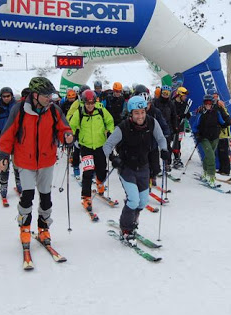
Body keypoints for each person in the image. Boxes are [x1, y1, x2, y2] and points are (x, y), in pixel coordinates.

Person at [0, 77, 73, 264]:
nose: (50, 98)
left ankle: (43, 227)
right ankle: (24, 228)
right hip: (24, 161)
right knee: (27, 196)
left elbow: (63, 128)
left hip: (46, 159)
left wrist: (67, 136)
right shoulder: (19, 110)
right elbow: (8, 134)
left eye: (51, 95)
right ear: (35, 95)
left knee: (46, 196)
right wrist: (3, 156)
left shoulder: (54, 110)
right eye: (47, 95)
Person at [102, 95, 168, 239]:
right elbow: (107, 145)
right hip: (127, 168)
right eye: (137, 113)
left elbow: (161, 138)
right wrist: (113, 158)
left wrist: (164, 150)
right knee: (133, 199)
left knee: (143, 201)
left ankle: (133, 218)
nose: (140, 116)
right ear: (131, 113)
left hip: (144, 167)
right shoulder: (123, 127)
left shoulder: (152, 122)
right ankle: (126, 228)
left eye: (142, 112)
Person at [68, 89, 114, 215]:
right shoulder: (79, 112)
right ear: (83, 102)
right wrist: (70, 136)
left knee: (101, 169)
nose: (90, 106)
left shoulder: (100, 110)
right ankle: (86, 197)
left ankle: (100, 184)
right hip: (86, 146)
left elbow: (110, 121)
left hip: (100, 145)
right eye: (87, 103)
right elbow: (71, 126)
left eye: (92, 103)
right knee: (88, 172)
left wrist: (109, 131)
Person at [191, 93, 231, 187]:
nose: (207, 104)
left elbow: (222, 122)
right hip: (204, 138)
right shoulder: (201, 113)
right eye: (206, 102)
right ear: (203, 103)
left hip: (215, 137)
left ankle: (205, 172)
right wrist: (197, 134)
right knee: (211, 156)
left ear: (212, 103)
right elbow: (195, 126)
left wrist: (230, 122)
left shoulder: (216, 112)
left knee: (208, 156)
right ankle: (211, 177)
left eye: (209, 102)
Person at [153, 85, 178, 172]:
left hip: (167, 127)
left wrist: (175, 127)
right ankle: (155, 166)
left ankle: (167, 163)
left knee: (167, 147)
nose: (165, 95)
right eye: (164, 93)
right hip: (156, 127)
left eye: (167, 94)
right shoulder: (156, 102)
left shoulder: (171, 104)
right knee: (154, 147)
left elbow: (174, 116)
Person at [210, 89, 231, 177]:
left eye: (216, 96)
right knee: (219, 152)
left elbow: (225, 117)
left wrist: (226, 123)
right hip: (216, 133)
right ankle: (221, 169)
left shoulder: (220, 105)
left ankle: (226, 170)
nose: (215, 98)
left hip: (223, 132)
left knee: (223, 151)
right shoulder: (211, 105)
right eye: (213, 96)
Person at [171, 86, 191, 169]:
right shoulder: (172, 103)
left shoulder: (185, 104)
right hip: (173, 125)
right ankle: (171, 157)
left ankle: (177, 157)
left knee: (178, 141)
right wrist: (177, 116)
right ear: (179, 95)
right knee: (172, 141)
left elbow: (187, 114)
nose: (185, 97)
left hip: (181, 125)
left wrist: (187, 115)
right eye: (184, 96)